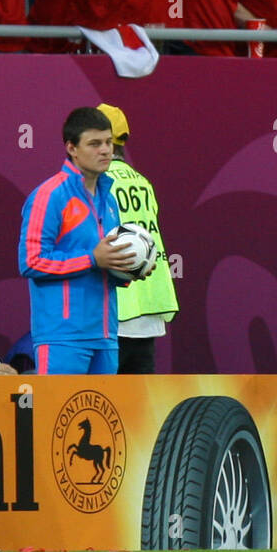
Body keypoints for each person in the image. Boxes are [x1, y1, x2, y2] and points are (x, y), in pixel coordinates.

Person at [19, 107, 147, 375]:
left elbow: (105, 262)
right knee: (55, 417)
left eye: (109, 142)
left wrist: (128, 268)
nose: (105, 151)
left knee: (102, 418)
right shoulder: (49, 195)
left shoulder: (109, 198)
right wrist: (91, 259)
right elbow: (31, 262)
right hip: (62, 338)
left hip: (106, 335)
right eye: (95, 143)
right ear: (72, 148)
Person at [98, 104, 178, 374]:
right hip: (150, 305)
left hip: (116, 309)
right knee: (138, 407)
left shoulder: (97, 182)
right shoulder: (143, 182)